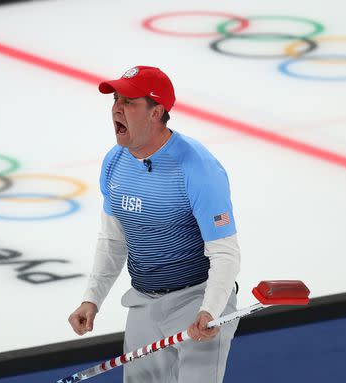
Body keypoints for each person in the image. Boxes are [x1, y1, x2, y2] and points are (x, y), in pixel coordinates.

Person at [68, 65, 241, 383]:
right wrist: (92, 298)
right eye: (116, 99)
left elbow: (225, 253)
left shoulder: (197, 168)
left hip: (197, 299)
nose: (117, 109)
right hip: (144, 303)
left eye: (129, 102)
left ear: (156, 112)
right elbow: (113, 241)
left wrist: (211, 310)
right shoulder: (115, 163)